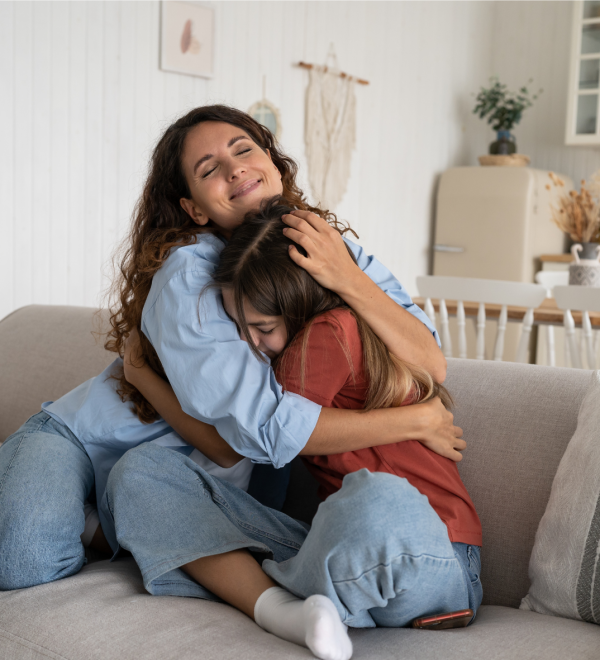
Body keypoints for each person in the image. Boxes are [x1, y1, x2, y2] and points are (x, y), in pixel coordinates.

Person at [0, 107, 464, 655]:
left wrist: (345, 276)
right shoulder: (190, 273)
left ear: (275, 163)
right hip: (89, 436)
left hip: (195, 475)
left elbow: (428, 359)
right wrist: (417, 419)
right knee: (26, 560)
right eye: (208, 167)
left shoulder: (328, 247)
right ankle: (74, 501)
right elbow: (253, 436)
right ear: (193, 207)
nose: (235, 168)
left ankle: (121, 523)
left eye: (244, 149)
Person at [113, 198, 481, 660]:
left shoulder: (328, 334)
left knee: (377, 498)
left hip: (434, 555)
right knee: (142, 471)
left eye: (262, 328)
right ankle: (286, 606)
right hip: (340, 549)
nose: (251, 344)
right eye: (239, 328)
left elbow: (268, 439)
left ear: (298, 303)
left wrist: (144, 376)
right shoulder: (316, 338)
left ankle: (268, 587)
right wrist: (415, 420)